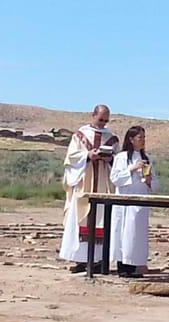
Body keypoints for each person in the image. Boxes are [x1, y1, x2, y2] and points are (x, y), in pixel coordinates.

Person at [59, 104, 119, 273]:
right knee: (80, 219)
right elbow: (70, 158)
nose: (103, 124)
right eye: (100, 119)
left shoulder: (112, 138)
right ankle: (80, 259)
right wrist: (87, 155)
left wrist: (111, 160)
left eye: (106, 120)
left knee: (102, 220)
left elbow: (118, 160)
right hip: (84, 182)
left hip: (103, 184)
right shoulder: (80, 135)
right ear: (93, 115)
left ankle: (99, 260)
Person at [110, 126, 159, 278]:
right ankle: (123, 267)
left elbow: (156, 185)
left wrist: (150, 180)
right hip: (125, 202)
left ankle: (135, 265)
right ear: (131, 140)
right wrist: (132, 169)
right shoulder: (121, 157)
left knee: (137, 235)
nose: (143, 141)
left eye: (144, 138)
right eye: (140, 138)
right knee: (124, 234)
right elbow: (115, 178)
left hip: (141, 202)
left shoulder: (147, 158)